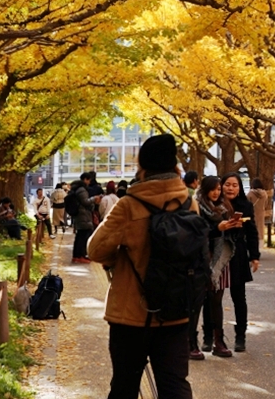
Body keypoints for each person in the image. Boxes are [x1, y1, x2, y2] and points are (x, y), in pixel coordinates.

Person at [87, 133, 199, 399]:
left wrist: (118, 260)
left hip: (131, 314)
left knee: (125, 384)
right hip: (176, 310)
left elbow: (95, 249)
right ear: (174, 168)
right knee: (174, 384)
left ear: (143, 167)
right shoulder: (188, 202)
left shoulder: (129, 205)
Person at [196, 175, 242, 358]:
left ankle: (219, 341)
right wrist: (218, 229)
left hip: (219, 261)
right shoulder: (197, 206)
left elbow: (227, 236)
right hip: (201, 260)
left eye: (218, 189)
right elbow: (197, 233)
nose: (216, 193)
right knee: (197, 301)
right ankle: (192, 342)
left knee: (217, 301)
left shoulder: (224, 207)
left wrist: (234, 226)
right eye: (213, 189)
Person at [220, 172, 261, 352]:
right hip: (218, 254)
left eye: (234, 185)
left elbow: (252, 231)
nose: (230, 188)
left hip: (238, 253)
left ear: (240, 187)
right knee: (213, 297)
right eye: (227, 184)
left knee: (239, 297)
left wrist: (254, 255)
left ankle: (240, 336)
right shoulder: (215, 204)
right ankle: (213, 336)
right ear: (221, 186)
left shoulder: (246, 205)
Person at [69, 172, 96, 263]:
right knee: (83, 236)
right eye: (88, 180)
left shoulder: (77, 188)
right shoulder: (82, 189)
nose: (89, 182)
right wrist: (94, 199)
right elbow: (85, 202)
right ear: (85, 179)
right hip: (83, 215)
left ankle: (77, 255)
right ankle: (80, 255)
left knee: (80, 236)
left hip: (80, 215)